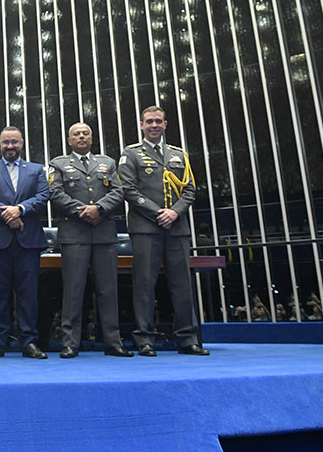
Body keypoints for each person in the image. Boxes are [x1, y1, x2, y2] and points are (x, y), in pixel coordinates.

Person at [118, 105, 208, 356]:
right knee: (145, 284)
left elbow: (189, 189)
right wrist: (159, 212)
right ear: (141, 125)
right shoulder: (131, 154)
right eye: (149, 122)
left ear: (165, 125)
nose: (154, 125)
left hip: (177, 228)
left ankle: (187, 339)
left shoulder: (179, 154)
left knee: (182, 285)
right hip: (146, 227)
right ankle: (144, 339)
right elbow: (128, 190)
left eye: (158, 121)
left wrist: (175, 212)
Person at [48, 122, 132, 358]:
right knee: (73, 290)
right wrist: (82, 210)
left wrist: (100, 208)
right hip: (74, 232)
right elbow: (54, 192)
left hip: (103, 232)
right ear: (69, 140)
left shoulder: (108, 163)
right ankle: (70, 343)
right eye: (77, 134)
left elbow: (119, 191)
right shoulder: (58, 164)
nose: (82, 136)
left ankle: (113, 341)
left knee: (108, 289)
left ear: (92, 139)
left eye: (86, 133)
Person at [0, 126, 50, 359]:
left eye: (14, 142)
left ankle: (29, 341)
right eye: (6, 142)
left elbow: (43, 196)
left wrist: (20, 210)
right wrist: (8, 215)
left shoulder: (37, 170)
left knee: (28, 293)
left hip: (28, 241)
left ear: (22, 143)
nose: (10, 146)